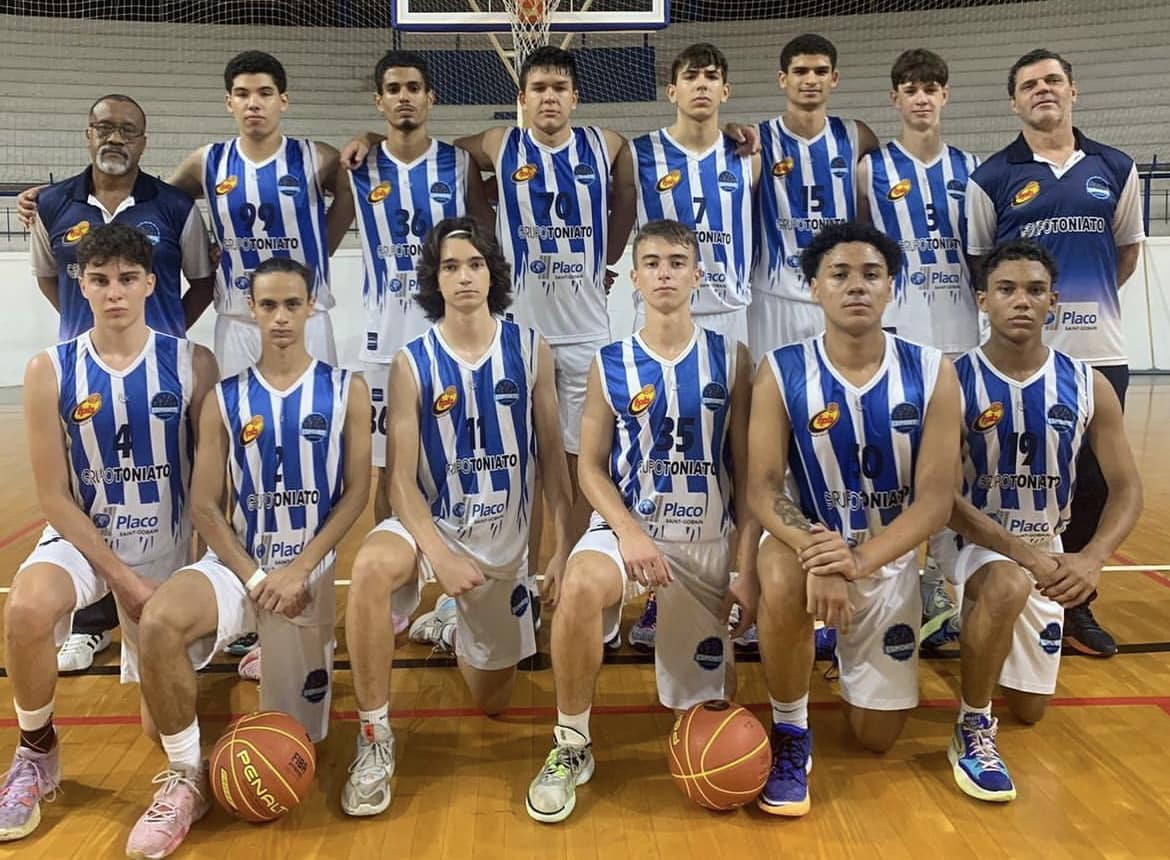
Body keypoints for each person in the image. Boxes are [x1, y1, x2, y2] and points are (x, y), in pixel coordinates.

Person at [124, 257, 369, 858]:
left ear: (313, 306)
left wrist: (297, 569)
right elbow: (206, 506)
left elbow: (356, 494)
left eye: (293, 305)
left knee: (295, 744)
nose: (281, 318)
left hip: (306, 573)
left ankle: (268, 660)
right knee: (158, 622)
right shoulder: (225, 399)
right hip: (239, 567)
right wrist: (257, 575)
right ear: (250, 310)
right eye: (269, 306)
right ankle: (186, 777)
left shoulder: (347, 390)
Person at [525, 219, 758, 823]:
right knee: (579, 585)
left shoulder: (730, 358)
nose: (664, 273)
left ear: (698, 275)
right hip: (631, 531)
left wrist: (745, 564)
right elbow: (592, 470)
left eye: (677, 262)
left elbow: (748, 471)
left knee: (708, 712)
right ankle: (571, 743)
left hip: (707, 539)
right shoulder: (612, 361)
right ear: (633, 277)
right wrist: (628, 532)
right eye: (651, 262)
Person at [341, 217, 572, 817]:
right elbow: (399, 480)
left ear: (492, 272)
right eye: (450, 266)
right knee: (368, 569)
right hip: (431, 529)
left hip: (504, 543)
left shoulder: (530, 349)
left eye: (474, 264)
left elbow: (553, 461)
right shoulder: (411, 361)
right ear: (434, 279)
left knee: (491, 702)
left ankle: (452, 625)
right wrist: (438, 555)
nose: (464, 276)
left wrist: (559, 550)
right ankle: (373, 738)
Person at [0, 223, 217, 844]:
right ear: (80, 285)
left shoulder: (191, 362)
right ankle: (36, 754)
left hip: (168, 549)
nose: (114, 293)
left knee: (162, 724)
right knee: (27, 607)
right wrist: (121, 580)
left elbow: (208, 490)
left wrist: (197, 579)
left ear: (152, 284)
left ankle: (185, 772)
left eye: (127, 279)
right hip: (86, 540)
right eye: (100, 280)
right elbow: (52, 496)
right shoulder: (50, 370)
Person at [747, 221, 959, 817]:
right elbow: (762, 490)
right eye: (839, 274)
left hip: (885, 554)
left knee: (876, 737)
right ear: (813, 288)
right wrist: (821, 552)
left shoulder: (933, 370)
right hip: (803, 541)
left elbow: (936, 500)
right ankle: (791, 728)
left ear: (892, 286)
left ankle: (835, 643)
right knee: (785, 578)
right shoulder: (780, 369)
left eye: (871, 274)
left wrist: (859, 560)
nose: (856, 286)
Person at [945, 239, 1141, 801]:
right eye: (1006, 290)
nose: (1021, 301)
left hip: (1047, 541)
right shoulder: (951, 379)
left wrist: (1092, 558)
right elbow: (938, 495)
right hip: (969, 537)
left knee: (1030, 711)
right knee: (1005, 581)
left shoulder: (1088, 383)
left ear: (1054, 300)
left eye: (1034, 290)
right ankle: (972, 727)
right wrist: (1028, 559)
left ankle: (982, 630)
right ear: (982, 300)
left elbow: (1127, 490)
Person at [965, 48, 1146, 657]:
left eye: (1052, 81)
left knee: (1092, 484)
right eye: (1029, 85)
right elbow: (981, 267)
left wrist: (1072, 308)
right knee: (1010, 475)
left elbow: (1125, 253)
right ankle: (993, 584)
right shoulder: (992, 177)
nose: (1043, 91)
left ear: (1073, 90)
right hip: (1016, 358)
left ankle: (1076, 603)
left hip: (1097, 350)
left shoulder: (1116, 167)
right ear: (1013, 101)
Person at [27, 94, 216, 674]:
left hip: (159, 378)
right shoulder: (51, 204)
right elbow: (47, 277)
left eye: (127, 130)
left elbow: (202, 281)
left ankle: (187, 605)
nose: (115, 138)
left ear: (144, 140)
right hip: (84, 382)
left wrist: (159, 334)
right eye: (104, 127)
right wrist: (89, 327)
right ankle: (90, 625)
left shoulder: (176, 206)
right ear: (87, 134)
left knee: (167, 490)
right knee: (90, 490)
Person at [858, 48, 981, 647]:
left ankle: (940, 579)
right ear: (896, 99)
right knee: (889, 462)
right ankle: (893, 572)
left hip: (957, 335)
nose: (923, 97)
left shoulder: (973, 169)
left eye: (933, 87)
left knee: (947, 466)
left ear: (946, 95)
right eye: (911, 88)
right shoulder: (869, 171)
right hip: (896, 336)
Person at [349, 49, 493, 522]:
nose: (404, 98)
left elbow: (485, 240)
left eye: (413, 88)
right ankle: (395, 587)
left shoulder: (457, 164)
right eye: (394, 89)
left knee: (457, 454)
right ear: (379, 101)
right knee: (391, 467)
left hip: (447, 333)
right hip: (383, 337)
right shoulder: (356, 164)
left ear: (431, 97)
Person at [167, 49, 355, 378]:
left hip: (307, 318)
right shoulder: (207, 160)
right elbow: (160, 201)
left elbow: (353, 190)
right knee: (241, 425)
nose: (253, 103)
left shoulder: (316, 156)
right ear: (229, 102)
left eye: (264, 93)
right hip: (238, 318)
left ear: (283, 101)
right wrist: (200, 247)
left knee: (315, 421)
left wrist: (323, 247)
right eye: (242, 94)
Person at [750, 33, 879, 360]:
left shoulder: (857, 136)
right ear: (783, 79)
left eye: (821, 71)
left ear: (834, 79)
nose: (811, 80)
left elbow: (871, 211)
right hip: (774, 294)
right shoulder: (757, 139)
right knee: (773, 392)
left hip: (837, 294)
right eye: (800, 71)